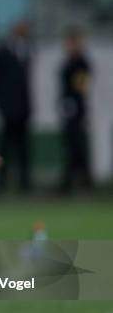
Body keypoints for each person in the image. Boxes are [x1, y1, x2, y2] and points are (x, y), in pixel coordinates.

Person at [0, 21, 33, 193]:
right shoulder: (3, 52)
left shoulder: (28, 51)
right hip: (7, 109)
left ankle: (25, 182)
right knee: (4, 147)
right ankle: (1, 181)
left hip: (23, 108)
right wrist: (0, 102)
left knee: (24, 148)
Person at [58, 26, 93, 192]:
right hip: (68, 107)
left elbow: (82, 87)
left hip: (76, 108)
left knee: (76, 145)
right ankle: (78, 180)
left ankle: (78, 180)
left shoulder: (81, 62)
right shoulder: (69, 61)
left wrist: (73, 102)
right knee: (72, 145)